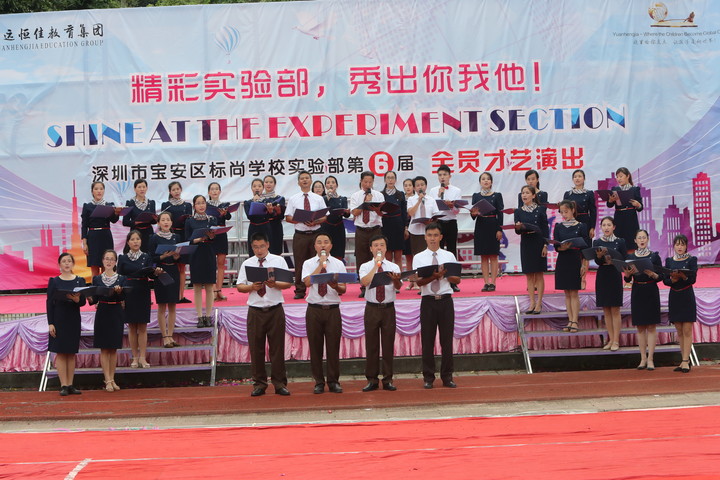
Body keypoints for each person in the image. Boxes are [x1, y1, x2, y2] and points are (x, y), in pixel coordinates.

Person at [236, 232, 292, 396]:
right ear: (251, 247)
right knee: (256, 349)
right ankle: (259, 384)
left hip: (275, 309)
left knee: (277, 348)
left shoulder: (278, 260)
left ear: (267, 245)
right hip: (255, 310)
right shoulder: (247, 263)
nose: (259, 250)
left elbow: (288, 283)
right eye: (255, 247)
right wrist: (251, 287)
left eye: (261, 246)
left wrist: (275, 284)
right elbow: (239, 286)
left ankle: (279, 383)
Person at [414, 223, 461, 389]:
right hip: (428, 301)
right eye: (430, 235)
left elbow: (457, 279)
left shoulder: (449, 255)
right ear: (425, 237)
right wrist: (434, 276)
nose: (432, 239)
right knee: (427, 341)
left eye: (435, 235)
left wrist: (444, 275)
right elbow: (419, 282)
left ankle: (447, 376)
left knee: (446, 341)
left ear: (441, 237)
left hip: (446, 301)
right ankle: (428, 377)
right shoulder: (419, 257)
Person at [302, 232, 347, 394]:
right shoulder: (308, 263)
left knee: (333, 347)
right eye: (319, 242)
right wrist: (320, 265)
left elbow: (343, 289)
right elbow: (307, 282)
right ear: (315, 246)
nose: (322, 245)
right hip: (314, 309)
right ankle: (319, 382)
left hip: (332, 309)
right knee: (315, 348)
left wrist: (335, 286)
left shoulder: (338, 263)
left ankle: (333, 381)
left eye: (326, 242)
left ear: (331, 246)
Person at [359, 234, 401, 392]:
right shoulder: (365, 266)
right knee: (372, 345)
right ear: (371, 248)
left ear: (386, 248)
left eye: (382, 245)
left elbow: (398, 286)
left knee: (388, 345)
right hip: (372, 308)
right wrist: (376, 266)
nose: (379, 248)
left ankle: (388, 379)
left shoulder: (393, 266)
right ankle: (372, 379)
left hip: (388, 308)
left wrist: (395, 279)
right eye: (376, 245)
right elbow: (364, 282)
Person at [46, 252, 87, 396]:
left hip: (73, 319)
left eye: (69, 261)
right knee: (61, 353)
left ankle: (70, 384)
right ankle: (63, 385)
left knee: (71, 353)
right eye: (64, 261)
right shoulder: (54, 281)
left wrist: (76, 300)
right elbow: (49, 303)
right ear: (59, 264)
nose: (67, 263)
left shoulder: (80, 281)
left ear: (73, 263)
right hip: (59, 320)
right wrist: (51, 323)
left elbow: (83, 302)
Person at [623, 229, 663, 370]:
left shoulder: (654, 256)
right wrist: (627, 275)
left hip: (651, 290)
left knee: (651, 327)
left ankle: (651, 359)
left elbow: (661, 276)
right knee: (640, 327)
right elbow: (627, 279)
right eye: (639, 238)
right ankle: (642, 359)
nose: (641, 240)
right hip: (637, 291)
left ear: (648, 239)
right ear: (635, 240)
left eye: (644, 237)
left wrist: (653, 275)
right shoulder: (631, 257)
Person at [118, 230, 159, 368]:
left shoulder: (146, 257)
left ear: (141, 241)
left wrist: (156, 273)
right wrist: (121, 297)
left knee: (142, 326)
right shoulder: (123, 258)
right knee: (131, 327)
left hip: (142, 291)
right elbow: (120, 278)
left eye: (138, 239)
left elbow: (151, 275)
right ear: (128, 242)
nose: (135, 242)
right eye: (132, 239)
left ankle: (143, 357)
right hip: (128, 292)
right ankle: (134, 357)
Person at [285, 171, 327, 299]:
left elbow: (325, 216)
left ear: (311, 180)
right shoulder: (293, 199)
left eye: (307, 178)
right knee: (300, 263)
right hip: (300, 235)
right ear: (298, 182)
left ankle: (319, 287)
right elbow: (288, 217)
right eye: (302, 178)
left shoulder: (318, 198)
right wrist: (301, 219)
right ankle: (300, 290)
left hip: (316, 234)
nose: (304, 180)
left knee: (319, 261)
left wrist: (316, 221)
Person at [89, 249, 125, 392]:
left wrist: (120, 292)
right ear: (102, 261)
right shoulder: (97, 279)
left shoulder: (121, 279)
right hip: (103, 312)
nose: (109, 261)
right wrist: (87, 296)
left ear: (115, 262)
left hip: (116, 312)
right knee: (104, 348)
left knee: (113, 348)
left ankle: (113, 378)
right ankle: (107, 380)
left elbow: (124, 297)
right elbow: (94, 299)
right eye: (106, 259)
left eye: (112, 259)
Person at [553, 200, 589, 333]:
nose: (564, 215)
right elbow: (556, 245)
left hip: (575, 259)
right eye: (562, 212)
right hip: (563, 259)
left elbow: (585, 247)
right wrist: (562, 248)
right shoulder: (558, 226)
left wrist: (584, 264)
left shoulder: (581, 226)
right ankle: (569, 320)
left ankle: (575, 320)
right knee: (567, 293)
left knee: (574, 292)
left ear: (573, 210)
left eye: (566, 212)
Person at [592, 216, 627, 352]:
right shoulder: (597, 242)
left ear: (614, 227)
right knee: (606, 309)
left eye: (609, 225)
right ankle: (610, 339)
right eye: (604, 225)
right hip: (603, 275)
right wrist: (599, 257)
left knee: (615, 309)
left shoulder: (620, 241)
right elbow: (597, 261)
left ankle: (616, 340)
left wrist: (614, 261)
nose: (606, 227)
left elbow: (624, 259)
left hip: (614, 274)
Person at [664, 234, 697, 373]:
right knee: (679, 330)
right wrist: (673, 280)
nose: (680, 247)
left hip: (687, 296)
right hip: (674, 296)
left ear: (686, 246)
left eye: (682, 244)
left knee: (687, 330)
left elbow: (693, 279)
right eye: (677, 244)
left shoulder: (691, 260)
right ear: (674, 246)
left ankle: (685, 360)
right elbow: (665, 280)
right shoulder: (669, 261)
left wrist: (683, 277)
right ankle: (684, 360)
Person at [514, 185, 549, 314]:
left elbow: (545, 228)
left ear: (533, 195)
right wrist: (518, 228)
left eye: (527, 193)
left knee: (539, 274)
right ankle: (532, 303)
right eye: (523, 193)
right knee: (529, 274)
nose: (524, 195)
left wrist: (545, 245)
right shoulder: (518, 211)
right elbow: (517, 231)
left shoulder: (540, 209)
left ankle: (539, 303)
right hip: (526, 242)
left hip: (538, 242)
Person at [349, 171, 384, 298]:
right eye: (365, 182)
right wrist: (365, 204)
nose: (368, 184)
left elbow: (382, 214)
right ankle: (364, 286)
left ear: (373, 182)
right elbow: (354, 213)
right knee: (361, 258)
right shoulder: (355, 196)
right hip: (361, 230)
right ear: (361, 181)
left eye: (370, 182)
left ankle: (377, 284)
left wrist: (376, 209)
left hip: (375, 230)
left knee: (376, 257)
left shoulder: (379, 195)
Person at [148, 211, 181, 348]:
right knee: (162, 305)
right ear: (158, 223)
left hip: (173, 270)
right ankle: (165, 336)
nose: (166, 222)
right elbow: (150, 257)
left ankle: (171, 335)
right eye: (163, 220)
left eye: (168, 219)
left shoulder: (177, 237)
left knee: (173, 305)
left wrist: (177, 257)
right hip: (161, 272)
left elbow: (181, 256)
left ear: (172, 222)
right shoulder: (154, 238)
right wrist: (162, 257)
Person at [186, 194, 218, 327]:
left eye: (203, 203)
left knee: (210, 286)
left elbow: (216, 238)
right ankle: (199, 316)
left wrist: (211, 237)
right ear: (194, 206)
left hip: (208, 253)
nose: (201, 205)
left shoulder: (212, 219)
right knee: (197, 286)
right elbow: (187, 240)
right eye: (198, 203)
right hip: (196, 254)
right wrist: (199, 239)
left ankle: (208, 316)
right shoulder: (189, 221)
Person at [429, 165, 462, 290]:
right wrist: (439, 196)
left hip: (451, 222)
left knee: (452, 251)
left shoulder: (456, 190)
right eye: (440, 175)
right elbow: (432, 209)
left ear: (449, 176)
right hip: (439, 223)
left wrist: (452, 206)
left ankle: (453, 282)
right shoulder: (433, 191)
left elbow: (457, 211)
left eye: (444, 175)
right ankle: (439, 279)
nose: (442, 177)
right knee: (438, 251)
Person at [470, 172, 504, 292]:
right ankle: (486, 282)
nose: (486, 181)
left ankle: (493, 282)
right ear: (480, 182)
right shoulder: (476, 196)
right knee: (483, 256)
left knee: (493, 255)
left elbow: (500, 214)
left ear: (491, 182)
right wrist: (473, 214)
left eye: (488, 179)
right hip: (480, 226)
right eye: (483, 179)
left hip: (493, 225)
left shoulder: (497, 195)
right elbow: (473, 215)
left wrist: (499, 229)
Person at [161, 181, 193, 303]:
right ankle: (171, 294)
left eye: (178, 189)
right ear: (170, 192)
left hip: (183, 236)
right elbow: (163, 221)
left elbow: (190, 221)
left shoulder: (187, 205)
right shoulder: (166, 205)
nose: (176, 191)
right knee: (170, 266)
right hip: (170, 236)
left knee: (182, 267)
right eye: (173, 190)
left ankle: (181, 295)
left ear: (181, 190)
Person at [564, 169, 596, 289]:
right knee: (573, 251)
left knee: (585, 252)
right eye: (575, 176)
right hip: (572, 223)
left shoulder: (589, 193)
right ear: (573, 179)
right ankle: (574, 277)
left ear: (584, 179)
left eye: (579, 176)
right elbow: (564, 211)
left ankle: (583, 279)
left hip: (585, 222)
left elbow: (593, 211)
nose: (577, 178)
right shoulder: (568, 194)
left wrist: (592, 227)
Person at [81, 181, 120, 278]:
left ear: (104, 191)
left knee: (106, 266)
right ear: (92, 191)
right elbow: (84, 225)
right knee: (94, 267)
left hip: (106, 236)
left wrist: (117, 213)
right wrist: (85, 243)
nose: (99, 191)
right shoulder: (87, 206)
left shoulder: (109, 205)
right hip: (93, 238)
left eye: (101, 189)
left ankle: (105, 287)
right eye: (96, 189)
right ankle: (95, 287)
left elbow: (114, 220)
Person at [607, 167, 643, 251]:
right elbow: (609, 205)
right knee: (618, 243)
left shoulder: (634, 189)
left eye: (621, 176)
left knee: (631, 243)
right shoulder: (615, 189)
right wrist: (610, 200)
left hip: (631, 218)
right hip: (618, 218)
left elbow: (641, 207)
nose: (619, 179)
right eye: (617, 177)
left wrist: (638, 204)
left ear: (628, 176)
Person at [208, 182, 232, 302]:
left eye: (217, 189)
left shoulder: (224, 205)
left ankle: (219, 290)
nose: (214, 191)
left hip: (222, 234)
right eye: (212, 189)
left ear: (220, 191)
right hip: (210, 235)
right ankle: (213, 290)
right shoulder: (205, 205)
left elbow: (228, 217)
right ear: (209, 192)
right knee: (211, 264)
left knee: (221, 263)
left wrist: (225, 213)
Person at [380, 171, 407, 275]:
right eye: (388, 178)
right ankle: (389, 278)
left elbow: (404, 213)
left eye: (392, 178)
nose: (390, 180)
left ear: (395, 180)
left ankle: (398, 278)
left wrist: (405, 228)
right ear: (385, 180)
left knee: (398, 256)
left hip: (398, 226)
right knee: (387, 256)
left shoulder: (400, 194)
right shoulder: (381, 195)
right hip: (385, 226)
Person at [406, 176, 439, 257]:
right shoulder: (411, 199)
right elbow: (410, 213)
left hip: (429, 231)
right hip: (415, 231)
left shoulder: (431, 200)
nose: (420, 187)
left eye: (422, 185)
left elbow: (436, 215)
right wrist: (419, 201)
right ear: (414, 188)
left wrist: (430, 222)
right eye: (417, 185)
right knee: (417, 255)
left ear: (426, 186)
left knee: (429, 254)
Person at [123, 179, 157, 253]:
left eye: (144, 187)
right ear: (135, 189)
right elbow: (125, 222)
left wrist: (155, 219)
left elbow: (154, 222)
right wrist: (135, 222)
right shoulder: (130, 203)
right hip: (136, 233)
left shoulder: (151, 203)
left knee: (149, 254)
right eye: (139, 187)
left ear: (147, 188)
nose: (142, 189)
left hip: (148, 233)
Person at [323, 175, 350, 262]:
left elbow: (346, 215)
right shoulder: (322, 199)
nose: (331, 184)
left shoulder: (343, 199)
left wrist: (347, 212)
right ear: (325, 186)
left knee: (338, 252)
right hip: (326, 227)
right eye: (328, 183)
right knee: (325, 250)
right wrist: (328, 197)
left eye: (333, 182)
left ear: (337, 185)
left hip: (338, 227)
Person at [261, 175, 287, 257]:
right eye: (266, 182)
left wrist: (276, 211)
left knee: (276, 253)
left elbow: (281, 216)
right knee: (262, 252)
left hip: (276, 228)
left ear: (275, 184)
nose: (268, 184)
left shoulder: (280, 198)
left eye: (271, 182)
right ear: (263, 184)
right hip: (263, 227)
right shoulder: (259, 199)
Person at [244, 178, 271, 248]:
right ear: (251, 188)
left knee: (266, 248)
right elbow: (249, 216)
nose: (257, 188)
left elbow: (271, 215)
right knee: (253, 248)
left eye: (259, 186)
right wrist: (255, 202)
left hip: (265, 227)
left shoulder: (267, 201)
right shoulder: (247, 203)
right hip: (253, 228)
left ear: (263, 188)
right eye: (254, 186)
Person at [401, 178, 417, 290]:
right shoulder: (402, 200)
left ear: (413, 187)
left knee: (416, 256)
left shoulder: (417, 199)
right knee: (408, 257)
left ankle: (417, 281)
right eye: (405, 185)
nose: (408, 187)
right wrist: (405, 228)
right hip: (406, 229)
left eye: (410, 185)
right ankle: (411, 280)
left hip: (416, 229)